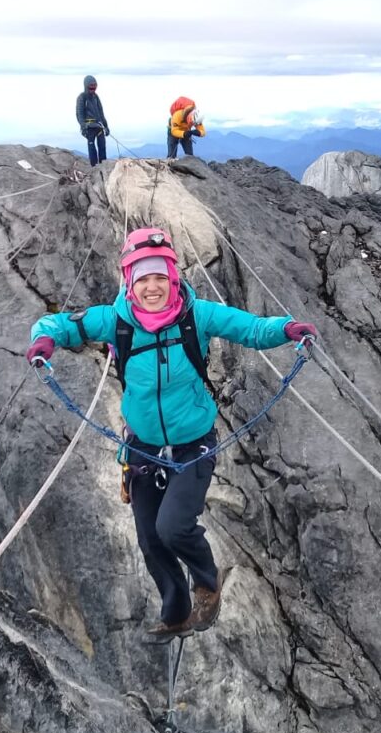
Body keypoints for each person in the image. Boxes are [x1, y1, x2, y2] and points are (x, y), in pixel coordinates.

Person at [26, 227, 317, 644]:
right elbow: (61, 324)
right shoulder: (116, 322)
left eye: (160, 276)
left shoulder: (195, 316)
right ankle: (176, 612)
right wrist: (43, 341)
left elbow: (248, 327)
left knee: (174, 527)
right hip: (142, 448)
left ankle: (207, 584)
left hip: (192, 443)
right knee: (150, 539)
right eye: (142, 278)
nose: (152, 286)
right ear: (129, 282)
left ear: (173, 278)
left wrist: (289, 330)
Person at [76, 75, 110, 166]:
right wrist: (84, 127)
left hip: (99, 127)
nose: (93, 88)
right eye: (91, 86)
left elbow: (101, 113)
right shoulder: (82, 98)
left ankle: (104, 165)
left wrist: (106, 126)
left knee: (102, 147)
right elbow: (79, 115)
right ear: (86, 86)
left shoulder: (96, 97)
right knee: (92, 149)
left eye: (95, 85)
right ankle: (94, 167)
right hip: (89, 128)